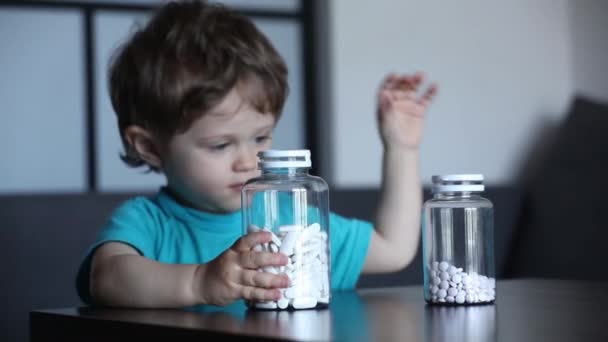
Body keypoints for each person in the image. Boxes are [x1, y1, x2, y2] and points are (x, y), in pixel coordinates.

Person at [76, 0, 438, 308]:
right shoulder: (148, 223)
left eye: (261, 137)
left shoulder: (291, 221)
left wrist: (402, 148)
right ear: (151, 148)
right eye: (221, 145)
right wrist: (198, 282)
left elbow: (393, 249)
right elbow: (106, 277)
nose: (248, 161)